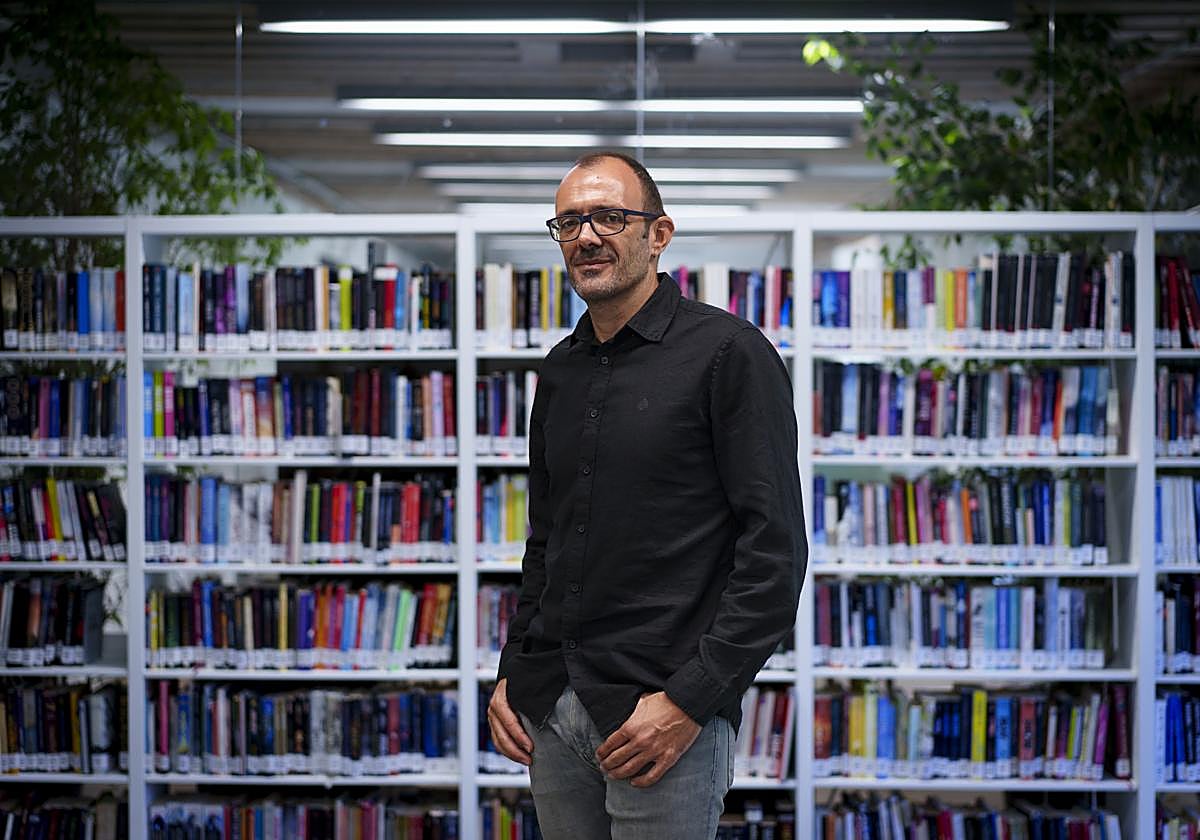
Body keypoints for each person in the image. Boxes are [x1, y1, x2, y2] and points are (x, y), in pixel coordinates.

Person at [486, 151, 806, 840]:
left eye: (608, 216)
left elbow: (774, 553)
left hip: (658, 717)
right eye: (569, 222)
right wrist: (515, 669)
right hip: (552, 708)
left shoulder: (729, 354)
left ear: (658, 234)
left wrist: (691, 701)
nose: (586, 236)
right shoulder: (561, 370)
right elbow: (547, 540)